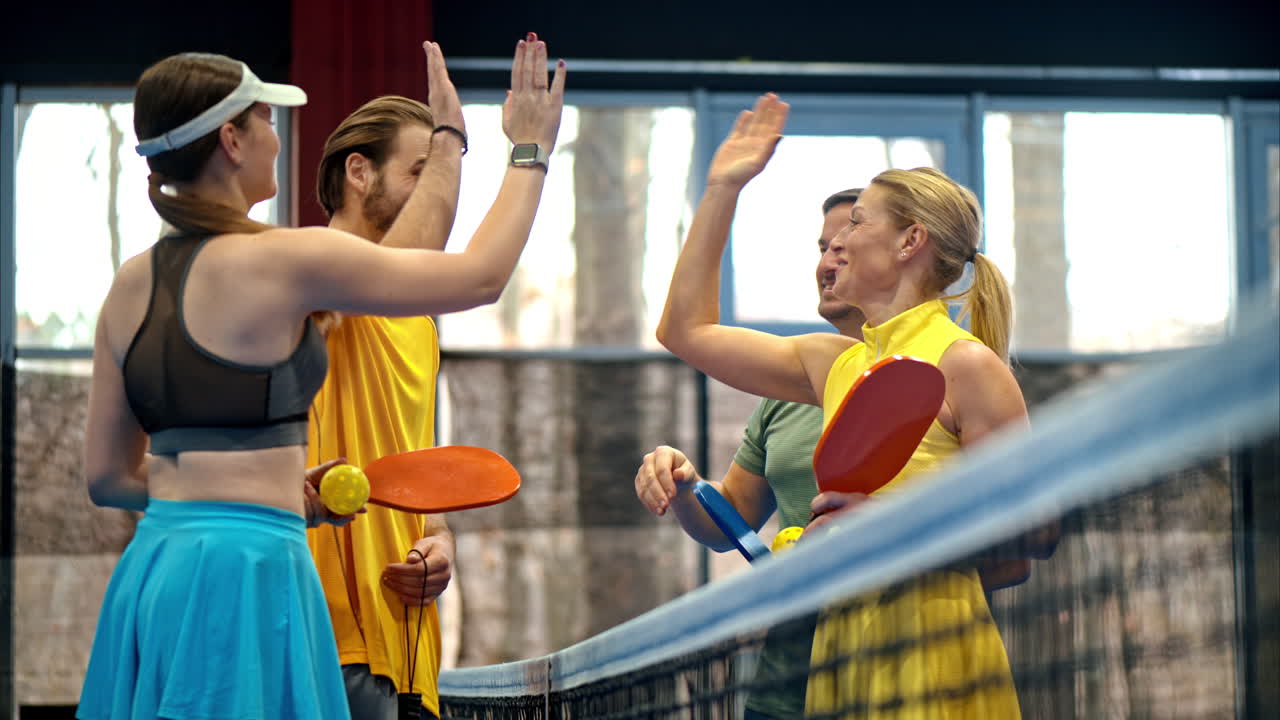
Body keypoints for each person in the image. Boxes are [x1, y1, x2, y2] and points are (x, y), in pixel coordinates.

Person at [78, 37, 565, 720]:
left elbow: (106, 478)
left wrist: (239, 489)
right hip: (256, 572)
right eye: (265, 123)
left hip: (157, 573)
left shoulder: (131, 284)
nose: (277, 140)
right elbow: (480, 275)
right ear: (231, 141)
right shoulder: (284, 261)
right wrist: (528, 148)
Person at [653, 94, 1027, 718]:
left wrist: (888, 531)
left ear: (911, 241)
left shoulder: (968, 366)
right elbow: (684, 331)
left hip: (931, 658)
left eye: (857, 223)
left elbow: (1022, 546)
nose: (836, 245)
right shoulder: (834, 364)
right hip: (840, 652)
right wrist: (722, 188)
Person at [634, 188, 864, 719]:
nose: (827, 261)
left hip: (895, 672)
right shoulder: (786, 392)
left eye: (844, 247)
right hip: (786, 686)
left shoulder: (949, 375)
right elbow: (728, 523)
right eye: (822, 246)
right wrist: (687, 486)